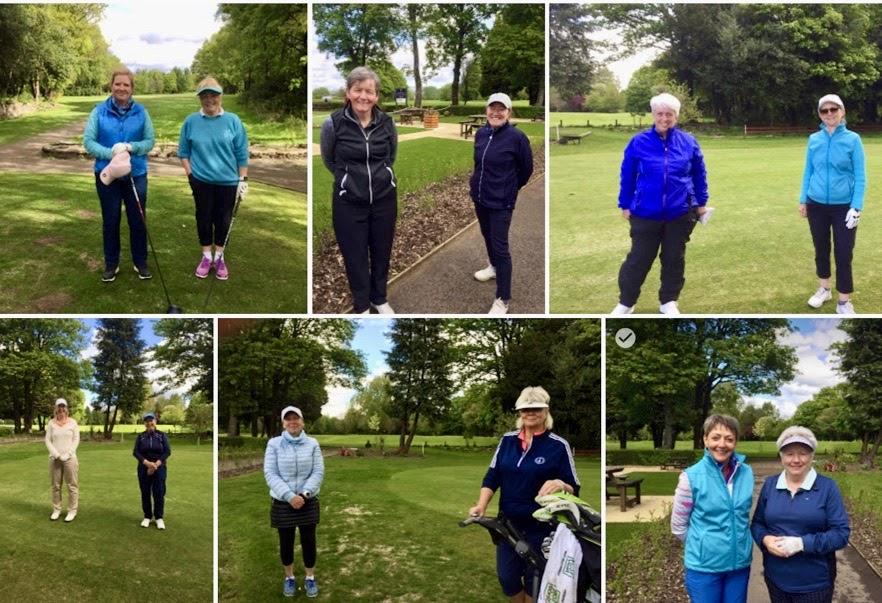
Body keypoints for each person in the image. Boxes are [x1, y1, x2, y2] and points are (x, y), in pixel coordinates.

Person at [468, 387, 580, 602]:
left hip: (543, 529)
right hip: (508, 526)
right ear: (519, 412)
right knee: (507, 578)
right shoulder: (507, 441)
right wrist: (481, 505)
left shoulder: (558, 445)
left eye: (536, 408)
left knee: (534, 581)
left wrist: (560, 484)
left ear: (545, 411)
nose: (531, 413)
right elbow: (492, 477)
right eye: (525, 409)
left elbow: (574, 486)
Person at [613, 93, 709, 315]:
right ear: (653, 115)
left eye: (669, 114)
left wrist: (701, 203)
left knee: (674, 259)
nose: (664, 118)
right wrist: (624, 204)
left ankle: (669, 301)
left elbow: (699, 174)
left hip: (680, 212)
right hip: (645, 213)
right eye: (660, 114)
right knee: (638, 260)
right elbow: (627, 175)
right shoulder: (638, 142)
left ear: (676, 116)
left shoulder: (688, 142)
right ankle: (626, 302)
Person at [320, 66, 398, 315]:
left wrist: (377, 180)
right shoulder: (332, 123)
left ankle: (379, 298)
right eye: (358, 90)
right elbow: (329, 160)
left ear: (376, 96)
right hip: (348, 202)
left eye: (369, 91)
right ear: (348, 92)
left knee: (382, 251)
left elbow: (390, 157)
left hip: (384, 199)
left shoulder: (387, 123)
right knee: (354, 255)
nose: (363, 96)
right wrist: (348, 181)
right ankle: (362, 304)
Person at [751, 426, 850, 602]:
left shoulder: (827, 487)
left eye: (803, 453)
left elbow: (841, 534)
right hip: (776, 578)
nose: (796, 460)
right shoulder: (770, 485)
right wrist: (765, 539)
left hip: (814, 584)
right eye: (789, 453)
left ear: (812, 456)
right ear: (781, 457)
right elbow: (757, 523)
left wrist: (802, 543)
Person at [671, 414, 753, 603]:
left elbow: (743, 516)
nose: (722, 444)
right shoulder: (690, 477)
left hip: (739, 566)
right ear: (705, 439)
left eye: (729, 439)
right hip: (704, 569)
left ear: (736, 442)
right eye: (716, 437)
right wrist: (704, 546)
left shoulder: (746, 473)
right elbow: (678, 526)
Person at [83, 67, 156, 283]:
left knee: (137, 220)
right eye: (118, 84)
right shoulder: (99, 111)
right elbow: (88, 141)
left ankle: (140, 261)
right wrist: (111, 152)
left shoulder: (141, 112)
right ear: (111, 86)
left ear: (132, 88)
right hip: (107, 176)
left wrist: (130, 147)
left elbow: (150, 141)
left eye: (126, 85)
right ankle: (111, 263)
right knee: (111, 220)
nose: (121, 88)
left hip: (136, 175)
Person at [178, 76, 249, 281]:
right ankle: (206, 257)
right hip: (201, 180)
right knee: (203, 218)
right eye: (205, 96)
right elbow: (184, 152)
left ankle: (219, 257)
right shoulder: (191, 121)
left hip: (228, 182)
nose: (210, 100)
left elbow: (241, 153)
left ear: (221, 97)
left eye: (214, 95)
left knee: (224, 220)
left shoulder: (233, 121)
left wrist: (242, 180)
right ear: (200, 99)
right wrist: (191, 176)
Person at [800, 94, 865, 315]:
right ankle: (824, 289)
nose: (829, 114)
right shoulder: (814, 140)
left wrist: (856, 207)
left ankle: (844, 301)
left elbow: (860, 176)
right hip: (816, 204)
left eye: (833, 109)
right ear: (820, 114)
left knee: (844, 253)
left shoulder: (853, 140)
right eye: (824, 111)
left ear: (842, 111)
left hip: (844, 207)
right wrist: (803, 200)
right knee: (821, 249)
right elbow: (809, 171)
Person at [469, 93, 534, 315]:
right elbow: (479, 164)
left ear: (509, 112)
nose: (496, 113)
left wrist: (510, 188)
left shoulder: (517, 138)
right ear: (487, 110)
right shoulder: (481, 133)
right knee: (487, 236)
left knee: (500, 246)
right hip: (480, 197)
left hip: (501, 202)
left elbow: (526, 170)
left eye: (501, 109)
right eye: (492, 108)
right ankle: (493, 267)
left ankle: (503, 298)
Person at [264, 406, 325, 598]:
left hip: (308, 499)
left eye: (295, 418)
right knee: (286, 542)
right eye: (288, 419)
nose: (292, 422)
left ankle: (310, 578)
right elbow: (271, 473)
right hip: (283, 501)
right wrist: (290, 496)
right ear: (283, 423)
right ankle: (289, 577)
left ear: (302, 421)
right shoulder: (274, 444)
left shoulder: (313, 443)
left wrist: (304, 494)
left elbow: (318, 472)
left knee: (308, 541)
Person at [133, 412, 171, 529]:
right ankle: (147, 516)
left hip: (159, 467)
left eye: (151, 420)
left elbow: (167, 451)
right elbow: (136, 452)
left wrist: (155, 465)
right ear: (144, 423)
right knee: (145, 492)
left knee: (159, 492)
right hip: (144, 466)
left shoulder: (161, 435)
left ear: (155, 421)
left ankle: (159, 517)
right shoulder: (141, 437)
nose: (150, 423)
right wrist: (148, 464)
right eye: (147, 421)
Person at [45, 398, 79, 522]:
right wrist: (56, 454)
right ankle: (57, 510)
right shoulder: (51, 423)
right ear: (56, 408)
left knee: (72, 486)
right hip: (55, 459)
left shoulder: (73, 423)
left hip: (70, 459)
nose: (61, 409)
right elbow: (48, 440)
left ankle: (72, 511)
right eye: (59, 406)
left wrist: (68, 454)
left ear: (66, 408)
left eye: (63, 406)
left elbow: (76, 439)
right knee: (55, 486)